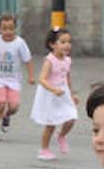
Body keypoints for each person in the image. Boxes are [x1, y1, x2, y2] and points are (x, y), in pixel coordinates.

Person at [0, 11, 34, 140]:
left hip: (13, 79)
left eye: (11, 28)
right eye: (4, 28)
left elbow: (27, 60)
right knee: (0, 103)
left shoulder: (19, 43)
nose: (8, 31)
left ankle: (6, 116)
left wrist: (31, 76)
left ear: (15, 28)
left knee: (14, 107)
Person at [31, 27, 78, 160]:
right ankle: (44, 149)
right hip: (50, 94)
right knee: (50, 124)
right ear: (52, 44)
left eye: (69, 42)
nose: (67, 45)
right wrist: (53, 89)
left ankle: (61, 136)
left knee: (71, 118)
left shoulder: (67, 60)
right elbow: (42, 79)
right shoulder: (50, 61)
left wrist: (72, 94)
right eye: (62, 42)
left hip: (63, 92)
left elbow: (67, 78)